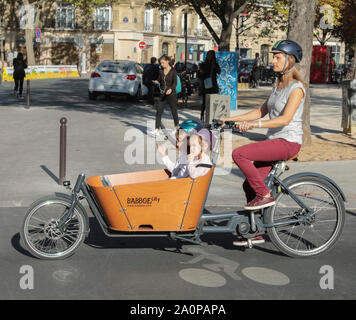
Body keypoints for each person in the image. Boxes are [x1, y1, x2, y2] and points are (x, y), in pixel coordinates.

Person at [221, 40, 305, 246]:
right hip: (274, 140)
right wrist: (231, 120)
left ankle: (265, 195)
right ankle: (256, 230)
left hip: (288, 141)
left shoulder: (297, 88)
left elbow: (285, 119)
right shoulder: (278, 86)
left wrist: (254, 125)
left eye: (278, 57)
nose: (273, 60)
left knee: (240, 154)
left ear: (290, 60)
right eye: (274, 57)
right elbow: (260, 111)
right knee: (248, 182)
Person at [148, 54, 179, 138]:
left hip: (171, 94)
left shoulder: (173, 71)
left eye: (163, 63)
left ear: (167, 61)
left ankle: (176, 127)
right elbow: (159, 79)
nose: (161, 64)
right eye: (160, 63)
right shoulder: (161, 71)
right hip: (162, 93)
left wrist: (171, 89)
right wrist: (156, 81)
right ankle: (157, 129)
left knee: (174, 111)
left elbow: (175, 83)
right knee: (159, 111)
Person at [199, 50, 221, 121]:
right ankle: (202, 115)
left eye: (211, 55)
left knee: (213, 102)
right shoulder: (203, 64)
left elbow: (219, 71)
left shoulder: (214, 64)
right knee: (205, 102)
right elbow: (199, 75)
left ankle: (212, 117)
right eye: (209, 55)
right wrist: (202, 73)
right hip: (206, 85)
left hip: (213, 86)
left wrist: (214, 65)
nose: (209, 56)